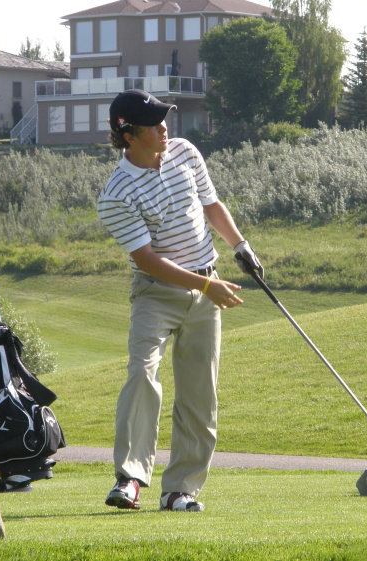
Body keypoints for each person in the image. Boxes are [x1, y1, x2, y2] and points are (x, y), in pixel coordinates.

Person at [97, 89, 263, 512]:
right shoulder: (116, 192)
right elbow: (147, 260)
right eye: (153, 124)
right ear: (128, 135)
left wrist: (240, 245)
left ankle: (179, 490)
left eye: (164, 119)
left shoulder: (185, 152)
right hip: (156, 293)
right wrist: (206, 287)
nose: (164, 128)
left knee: (199, 394)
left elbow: (211, 205)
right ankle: (130, 479)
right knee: (141, 374)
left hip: (206, 285)